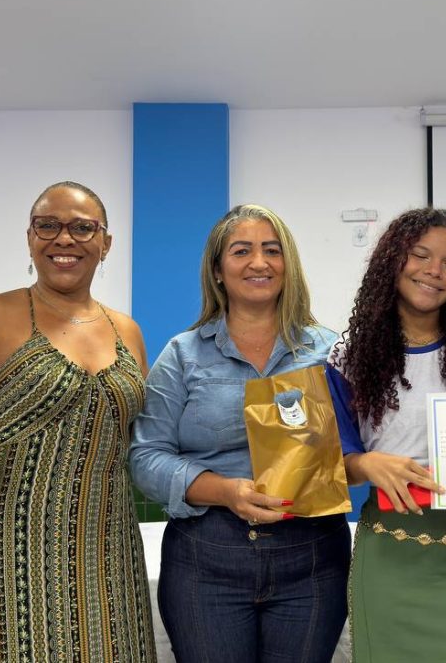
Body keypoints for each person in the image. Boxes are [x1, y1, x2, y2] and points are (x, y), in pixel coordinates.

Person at [0, 181, 156, 662]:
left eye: (82, 228)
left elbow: (134, 438)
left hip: (103, 552)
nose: (64, 238)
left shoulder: (127, 330)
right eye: (48, 225)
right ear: (29, 237)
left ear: (105, 243)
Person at [130, 204, 347, 662]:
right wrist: (225, 491)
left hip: (312, 559)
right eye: (242, 251)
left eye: (272, 250)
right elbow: (147, 457)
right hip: (206, 559)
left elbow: (359, 445)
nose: (259, 262)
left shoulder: (331, 352)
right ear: (217, 269)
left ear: (288, 265)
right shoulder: (182, 354)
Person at [326, 208, 446, 662]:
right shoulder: (347, 357)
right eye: (420, 255)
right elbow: (334, 464)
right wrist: (366, 463)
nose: (435, 271)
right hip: (386, 551)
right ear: (392, 260)